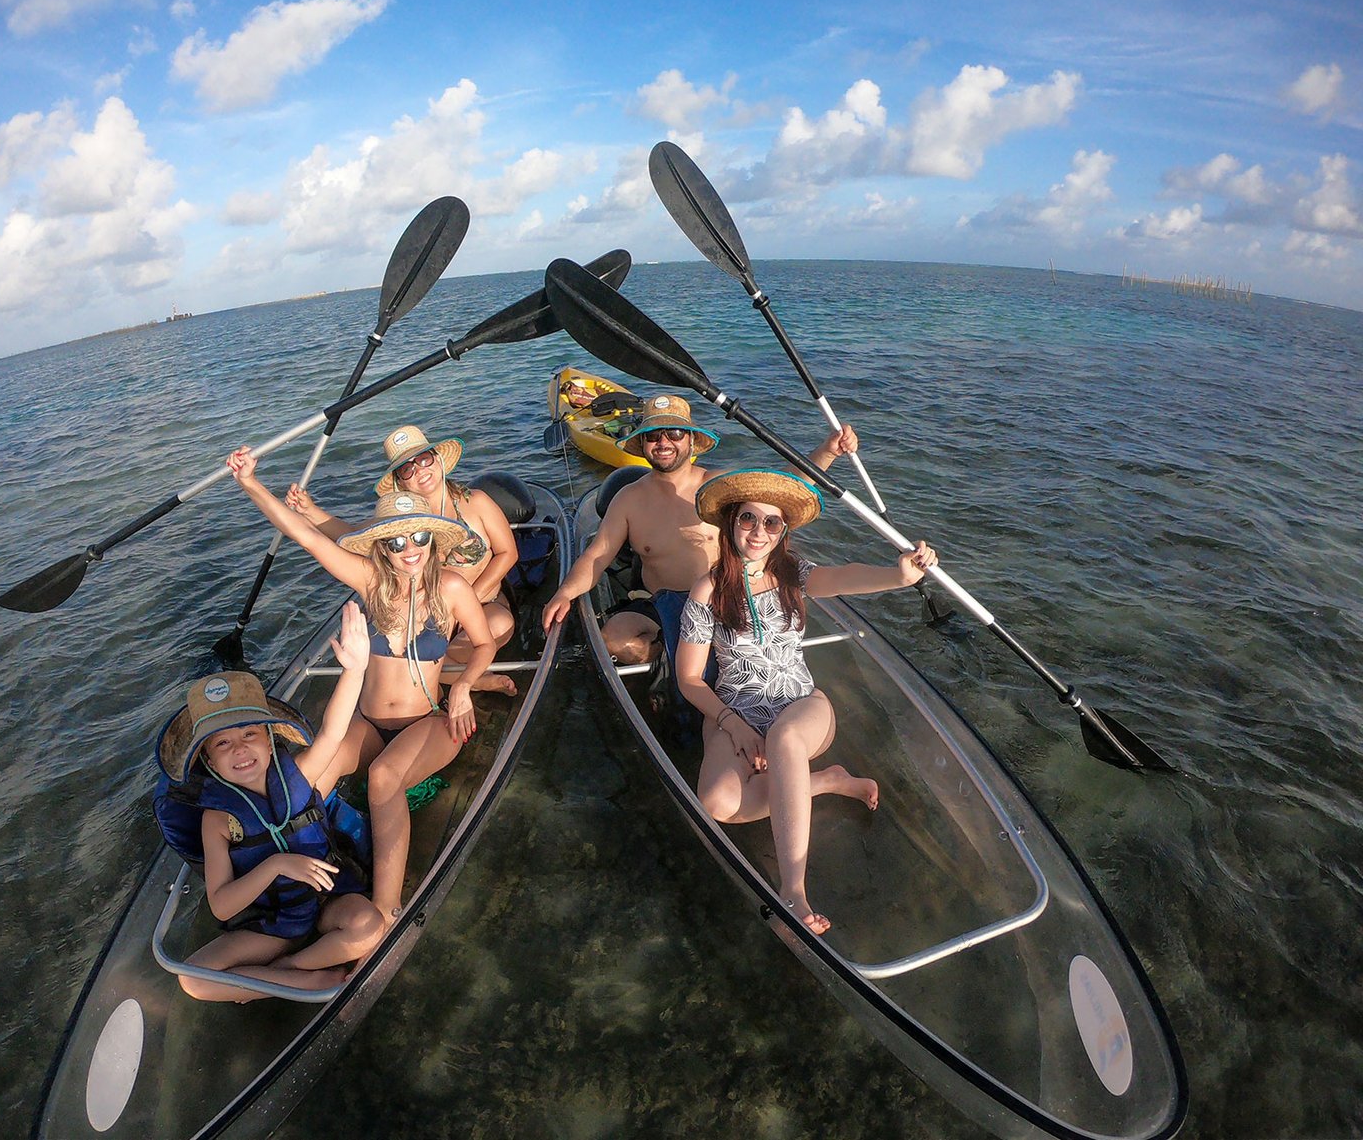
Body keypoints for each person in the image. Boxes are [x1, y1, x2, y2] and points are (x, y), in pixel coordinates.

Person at [226, 446, 497, 923]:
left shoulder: (453, 588)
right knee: (305, 775)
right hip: (368, 723)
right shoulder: (370, 582)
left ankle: (385, 909)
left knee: (383, 779)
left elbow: (483, 645)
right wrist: (249, 483)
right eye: (396, 542)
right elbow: (304, 536)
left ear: (434, 541)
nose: (409, 550)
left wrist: (463, 688)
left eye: (418, 538)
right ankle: (289, 885)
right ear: (381, 546)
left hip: (427, 724)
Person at [675, 467, 937, 936]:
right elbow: (690, 679)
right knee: (716, 804)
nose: (759, 532)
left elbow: (844, 577)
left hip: (800, 705)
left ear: (784, 530)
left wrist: (898, 577)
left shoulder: (793, 573)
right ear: (731, 523)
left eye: (771, 523)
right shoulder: (709, 590)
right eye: (748, 519)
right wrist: (732, 724)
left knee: (787, 738)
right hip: (737, 711)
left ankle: (792, 890)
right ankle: (826, 781)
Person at [158, 604, 384, 1001]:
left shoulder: (299, 772)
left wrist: (355, 670)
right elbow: (223, 906)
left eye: (249, 735)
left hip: (328, 901)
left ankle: (288, 971)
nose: (240, 750)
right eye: (223, 743)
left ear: (269, 738)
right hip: (274, 923)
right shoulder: (218, 819)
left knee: (369, 925)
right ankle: (313, 978)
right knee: (192, 979)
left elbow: (333, 732)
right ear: (209, 760)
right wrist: (278, 864)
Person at [541, 393, 858, 663]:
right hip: (662, 604)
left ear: (691, 440)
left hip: (724, 599)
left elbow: (783, 488)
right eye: (654, 435)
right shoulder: (628, 498)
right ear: (642, 443)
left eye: (675, 434)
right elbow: (598, 556)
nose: (664, 443)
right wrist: (565, 592)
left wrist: (828, 451)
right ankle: (672, 661)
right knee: (616, 640)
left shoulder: (719, 488)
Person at [285, 424, 518, 695]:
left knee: (499, 626)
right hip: (424, 614)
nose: (420, 470)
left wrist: (467, 603)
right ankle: (473, 680)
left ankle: (447, 676)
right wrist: (309, 511)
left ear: (438, 459)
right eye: (408, 468)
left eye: (424, 459)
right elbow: (351, 534)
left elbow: (508, 553)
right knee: (407, 653)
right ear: (400, 481)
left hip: (483, 603)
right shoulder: (397, 521)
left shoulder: (476, 501)